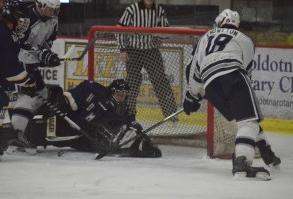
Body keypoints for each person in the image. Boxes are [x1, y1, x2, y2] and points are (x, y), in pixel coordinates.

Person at [183, 9, 280, 180]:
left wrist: (192, 96)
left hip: (210, 85)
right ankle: (242, 162)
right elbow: (247, 71)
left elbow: (193, 69)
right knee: (248, 121)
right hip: (233, 75)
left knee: (244, 120)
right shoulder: (244, 39)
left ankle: (266, 152)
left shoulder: (205, 37)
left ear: (219, 21)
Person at [20, 79, 162, 158]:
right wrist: (60, 106)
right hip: (67, 120)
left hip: (80, 135)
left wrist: (141, 134)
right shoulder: (94, 89)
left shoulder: (121, 110)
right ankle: (17, 136)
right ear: (112, 92)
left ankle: (140, 147)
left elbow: (130, 123)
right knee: (38, 130)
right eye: (120, 95)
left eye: (125, 96)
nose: (122, 98)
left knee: (59, 138)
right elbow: (69, 98)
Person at [8, 0, 61, 154]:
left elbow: (46, 42)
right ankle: (16, 136)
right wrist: (42, 55)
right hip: (15, 61)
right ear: (41, 5)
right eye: (49, 9)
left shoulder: (53, 21)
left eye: (54, 10)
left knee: (39, 93)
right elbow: (18, 45)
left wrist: (48, 55)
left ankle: (16, 135)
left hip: (29, 62)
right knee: (29, 94)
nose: (52, 13)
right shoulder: (25, 17)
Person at [117, 0, 178, 123]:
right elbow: (119, 29)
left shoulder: (159, 10)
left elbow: (166, 31)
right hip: (133, 50)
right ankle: (129, 114)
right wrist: (123, 49)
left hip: (151, 50)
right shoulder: (132, 10)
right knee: (132, 82)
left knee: (160, 81)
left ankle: (171, 114)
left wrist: (160, 34)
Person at [0, 0, 37, 161]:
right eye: (17, 22)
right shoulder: (2, 33)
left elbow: (0, 65)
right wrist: (28, 81)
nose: (18, 26)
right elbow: (11, 68)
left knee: (0, 95)